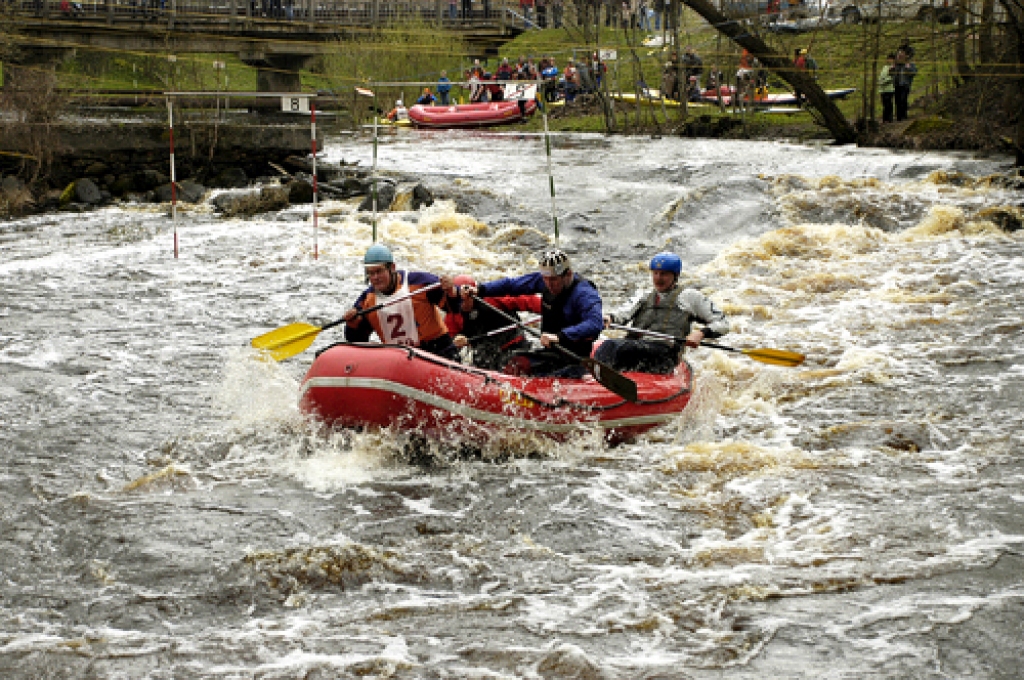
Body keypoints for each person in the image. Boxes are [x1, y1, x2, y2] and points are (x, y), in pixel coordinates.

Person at [460, 249, 604, 378]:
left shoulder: (585, 294)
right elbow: (512, 285)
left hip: (575, 357)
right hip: (551, 353)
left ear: (568, 275)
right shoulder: (546, 280)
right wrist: (481, 289)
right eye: (545, 279)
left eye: (553, 280)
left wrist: (561, 336)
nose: (549, 284)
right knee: (515, 363)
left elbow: (595, 323)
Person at [596, 252, 729, 374]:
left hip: (664, 354)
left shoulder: (690, 297)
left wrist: (701, 333)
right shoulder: (644, 295)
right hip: (635, 347)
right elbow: (622, 313)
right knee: (603, 346)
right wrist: (609, 318)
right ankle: (591, 379)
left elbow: (722, 323)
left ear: (675, 276)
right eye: (656, 273)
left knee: (613, 346)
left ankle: (601, 378)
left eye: (664, 274)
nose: (658, 278)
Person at [343, 244, 461, 362]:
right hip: (400, 359)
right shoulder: (367, 300)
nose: (375, 277)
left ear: (392, 267)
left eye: (379, 271)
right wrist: (352, 324)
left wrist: (452, 292)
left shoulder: (421, 283)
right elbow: (356, 340)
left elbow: (454, 308)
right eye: (371, 273)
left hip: (437, 350)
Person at [442, 275, 542, 371]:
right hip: (485, 354)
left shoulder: (493, 298)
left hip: (514, 346)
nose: (463, 303)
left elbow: (529, 301)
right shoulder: (453, 314)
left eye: (466, 298)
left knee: (518, 365)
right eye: (459, 299)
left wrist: (551, 311)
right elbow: (449, 341)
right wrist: (456, 340)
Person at [892, 49, 917, 122]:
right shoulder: (896, 65)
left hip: (905, 85)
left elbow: (913, 73)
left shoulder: (910, 64)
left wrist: (907, 68)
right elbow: (891, 74)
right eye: (898, 55)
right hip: (897, 85)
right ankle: (899, 117)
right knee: (897, 100)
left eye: (901, 55)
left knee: (903, 100)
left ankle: (904, 115)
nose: (899, 57)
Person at [879, 53, 896, 123]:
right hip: (882, 89)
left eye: (891, 59)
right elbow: (881, 77)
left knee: (888, 104)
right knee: (885, 104)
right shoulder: (885, 67)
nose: (889, 60)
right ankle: (885, 118)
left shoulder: (894, 68)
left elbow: (892, 78)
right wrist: (881, 81)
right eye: (888, 59)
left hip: (889, 89)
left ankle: (889, 118)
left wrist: (885, 81)